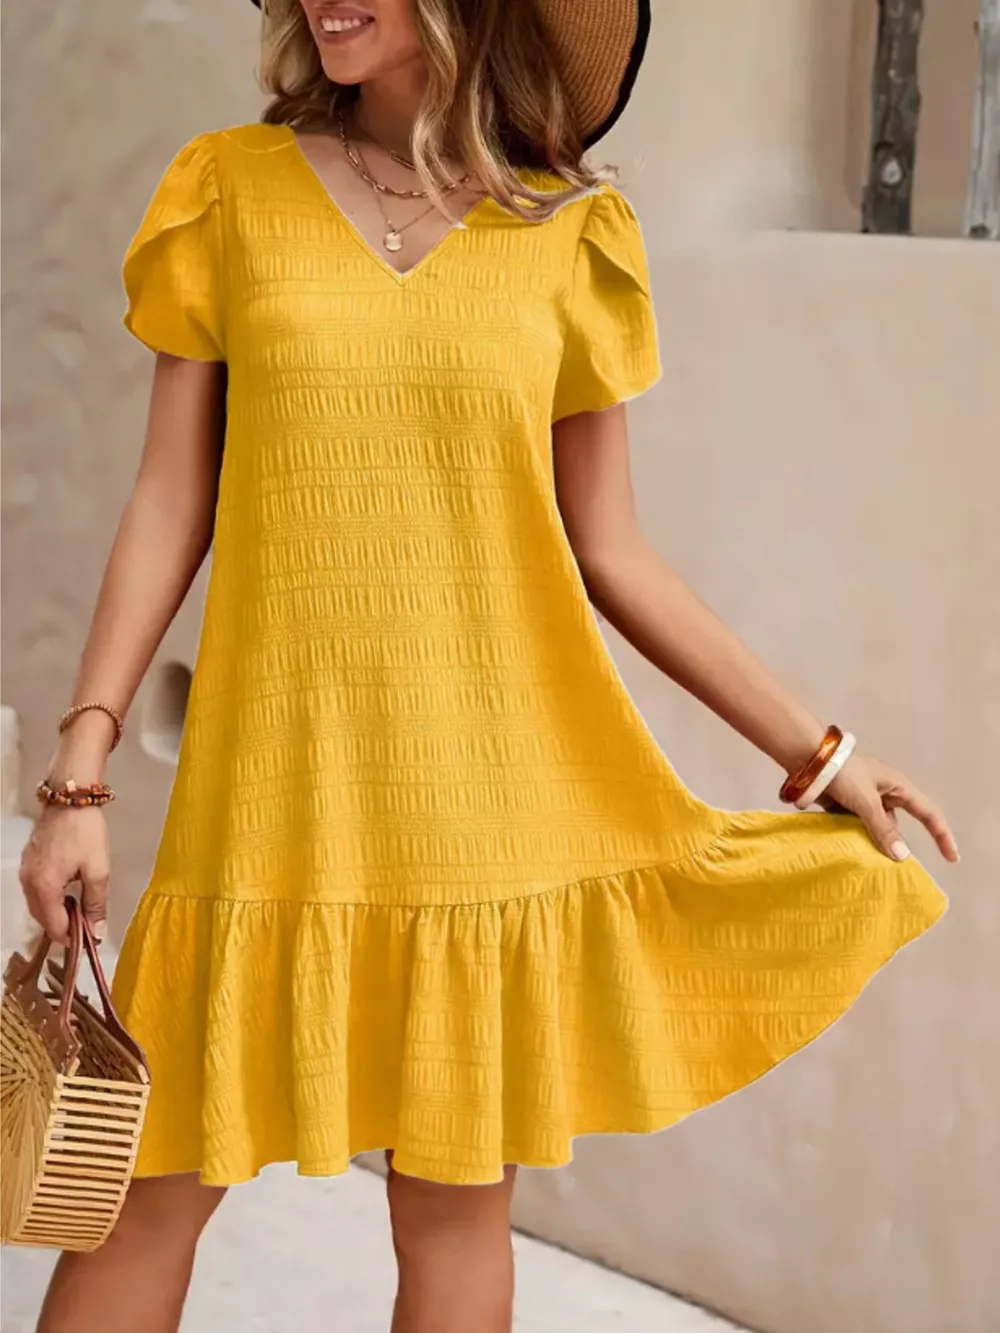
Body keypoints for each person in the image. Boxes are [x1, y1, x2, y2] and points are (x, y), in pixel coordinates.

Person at [19, 1, 957, 1330]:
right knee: (140, 1204)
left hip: (480, 811)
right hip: (269, 798)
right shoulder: (229, 188)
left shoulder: (567, 233)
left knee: (454, 1219)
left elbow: (613, 552)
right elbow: (170, 500)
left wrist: (823, 751)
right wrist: (80, 767)